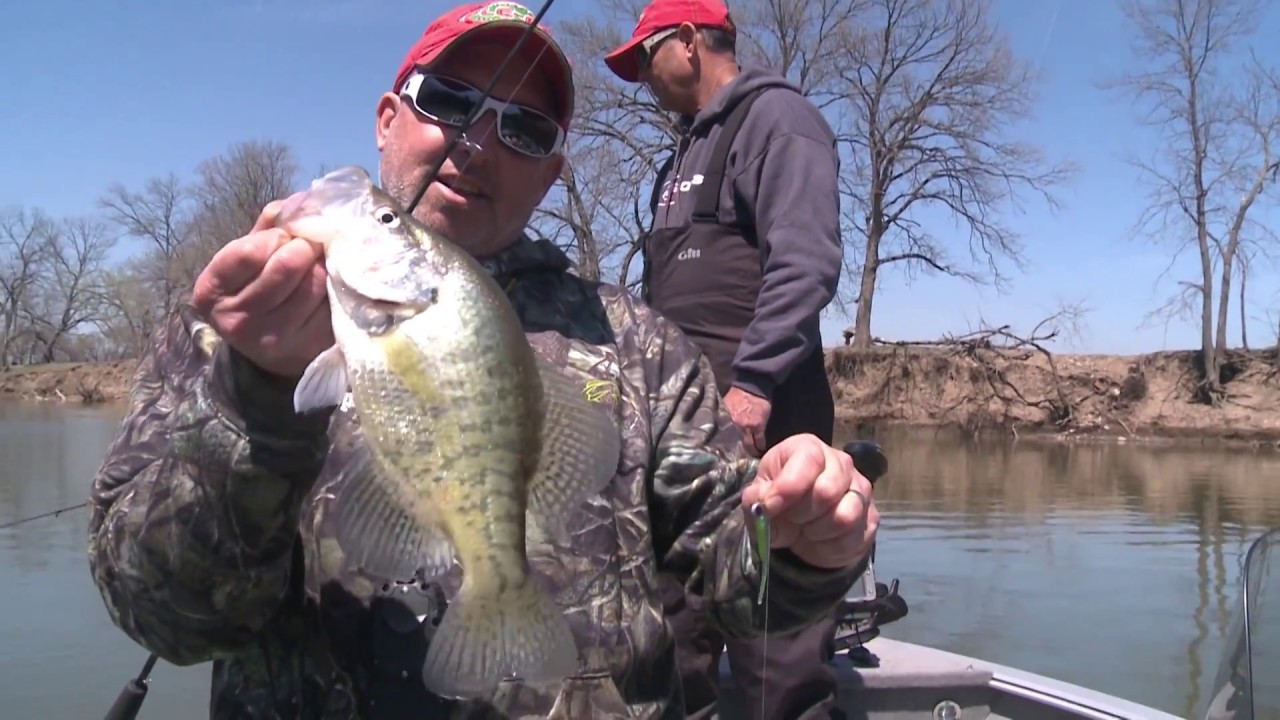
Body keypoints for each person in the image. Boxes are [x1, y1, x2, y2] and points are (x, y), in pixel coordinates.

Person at [85, 2, 878, 719]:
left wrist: (805, 547)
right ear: (388, 118)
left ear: (551, 174)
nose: (478, 142)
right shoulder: (235, 323)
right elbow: (168, 620)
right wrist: (253, 395)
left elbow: (740, 588)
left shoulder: (639, 345)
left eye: (525, 130)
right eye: (449, 103)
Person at [603, 0, 846, 718]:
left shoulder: (777, 121)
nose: (641, 80)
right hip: (675, 446)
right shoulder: (680, 156)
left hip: (761, 425)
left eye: (645, 60)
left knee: (780, 654)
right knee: (675, 641)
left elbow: (803, 264)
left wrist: (754, 385)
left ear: (686, 42)